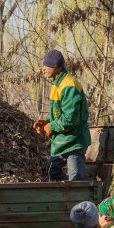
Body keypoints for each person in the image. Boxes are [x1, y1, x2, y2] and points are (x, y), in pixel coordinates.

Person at [32, 49, 91, 181]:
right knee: (51, 171)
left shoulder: (70, 85)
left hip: (74, 142)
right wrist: (46, 122)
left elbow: (70, 119)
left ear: (56, 68)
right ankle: (67, 196)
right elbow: (59, 115)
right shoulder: (56, 85)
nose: (44, 69)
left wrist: (51, 127)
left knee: (76, 179)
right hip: (63, 142)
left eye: (46, 66)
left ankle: (79, 197)